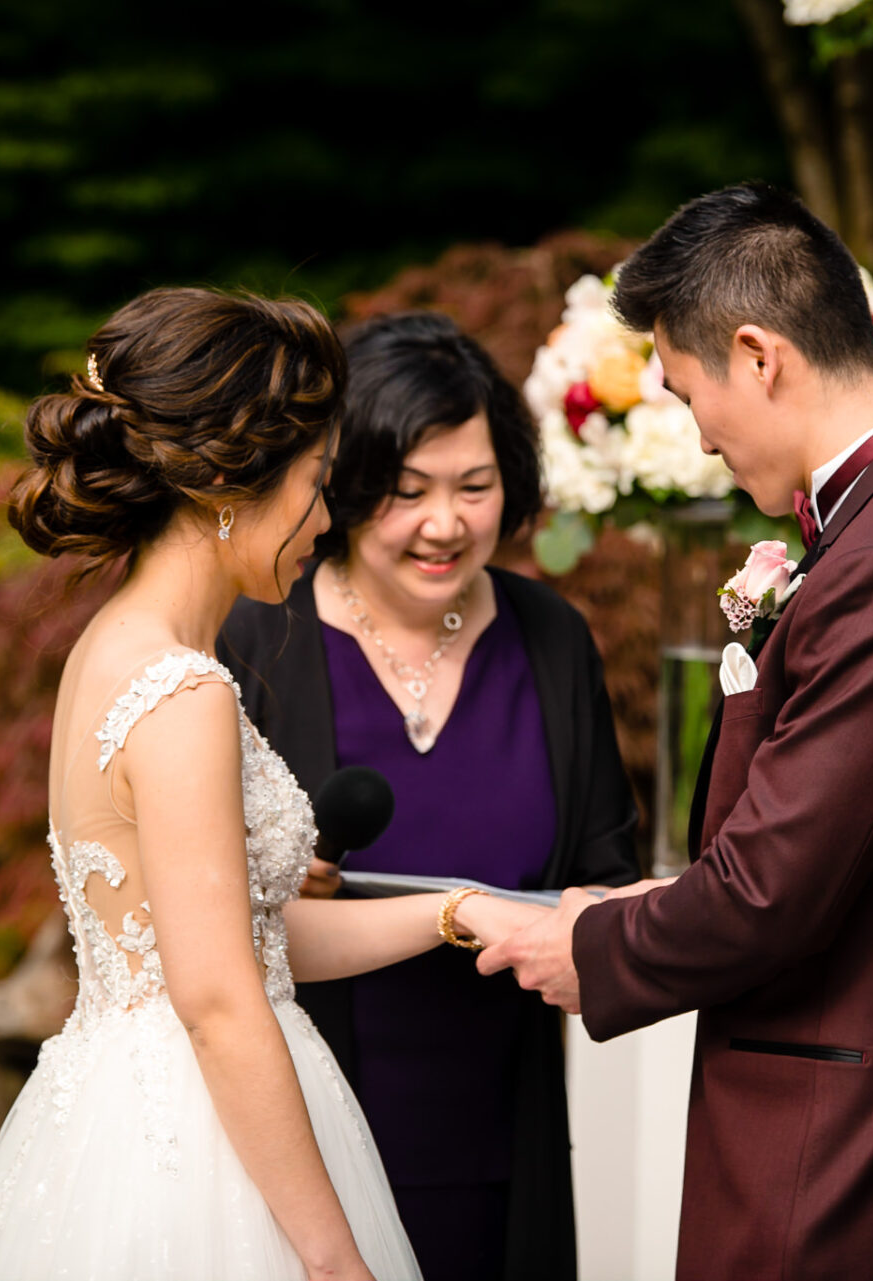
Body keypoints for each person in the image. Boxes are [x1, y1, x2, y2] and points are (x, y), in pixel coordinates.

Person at [480, 184, 873, 1280]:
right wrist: (648, 902)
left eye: (686, 389)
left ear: (759, 356)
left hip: (863, 1159)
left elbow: (772, 890)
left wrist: (586, 946)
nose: (699, 438)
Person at [0, 287, 548, 1281]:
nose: (325, 517)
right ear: (229, 484)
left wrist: (453, 912)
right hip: (197, 1143)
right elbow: (221, 1001)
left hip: (119, 1111)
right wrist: (331, 1256)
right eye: (315, 482)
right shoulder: (184, 692)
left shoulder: (112, 649)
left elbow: (249, 940)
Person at [218, 310, 642, 1281]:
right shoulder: (255, 640)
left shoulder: (552, 639)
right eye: (405, 493)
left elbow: (603, 878)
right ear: (344, 484)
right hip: (299, 1153)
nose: (444, 524)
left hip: (503, 1140)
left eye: (475, 487)